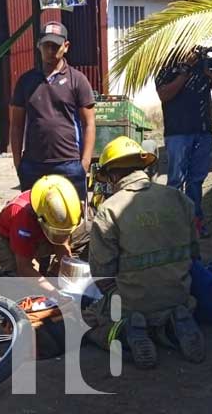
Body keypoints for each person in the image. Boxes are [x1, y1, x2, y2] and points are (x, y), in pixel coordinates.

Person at [84, 136, 205, 369]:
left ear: (112, 175)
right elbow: (195, 253)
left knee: (87, 320)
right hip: (179, 294)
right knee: (169, 305)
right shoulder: (179, 198)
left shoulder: (108, 210)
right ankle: (172, 323)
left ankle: (126, 333)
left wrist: (117, 297)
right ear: (143, 166)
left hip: (133, 302)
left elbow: (103, 274)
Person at [10, 21, 96, 201]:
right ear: (38, 45)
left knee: (73, 222)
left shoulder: (78, 80)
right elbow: (16, 125)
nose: (50, 50)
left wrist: (84, 164)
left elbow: (89, 124)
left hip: (69, 165)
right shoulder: (26, 82)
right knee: (32, 220)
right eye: (46, 45)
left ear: (66, 47)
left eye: (55, 46)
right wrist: (19, 163)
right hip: (33, 165)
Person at [156, 50, 212, 238]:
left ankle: (195, 223)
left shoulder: (203, 65)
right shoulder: (168, 67)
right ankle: (173, 225)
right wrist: (184, 72)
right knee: (176, 180)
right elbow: (164, 94)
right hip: (178, 133)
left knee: (196, 181)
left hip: (203, 131)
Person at [0, 174, 81, 295]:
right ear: (41, 218)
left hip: (40, 233)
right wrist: (55, 294)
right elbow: (24, 268)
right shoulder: (22, 216)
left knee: (82, 237)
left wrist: (70, 280)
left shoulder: (64, 208)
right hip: (5, 240)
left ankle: (50, 279)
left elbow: (62, 248)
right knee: (19, 286)